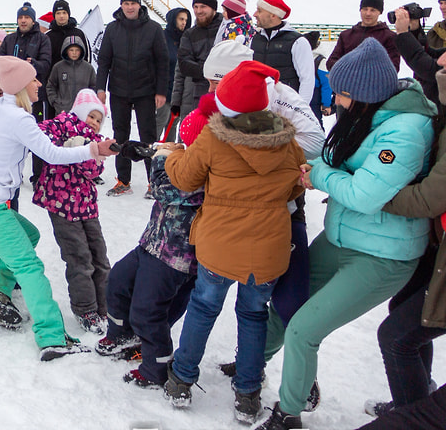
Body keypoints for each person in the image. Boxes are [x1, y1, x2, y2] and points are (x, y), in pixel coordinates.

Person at [258, 38, 436, 430]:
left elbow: (365, 194)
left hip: (382, 255)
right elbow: (332, 157)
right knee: (286, 300)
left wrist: (318, 175)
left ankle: (288, 414)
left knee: (305, 328)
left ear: (364, 94)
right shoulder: (367, 117)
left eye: (340, 93)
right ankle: (251, 367)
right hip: (343, 238)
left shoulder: (405, 131)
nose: (335, 100)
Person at [162, 61, 305, 424]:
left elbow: (184, 178)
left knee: (204, 307)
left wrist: (176, 152)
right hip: (268, 250)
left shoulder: (213, 136)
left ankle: (181, 380)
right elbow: (294, 186)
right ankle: (247, 395)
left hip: (220, 244)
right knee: (254, 316)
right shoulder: (287, 142)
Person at [0, 56, 118, 361]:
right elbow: (52, 154)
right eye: (34, 79)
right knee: (30, 266)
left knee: (29, 235)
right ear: (19, 85)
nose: (39, 84)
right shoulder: (18, 118)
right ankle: (52, 336)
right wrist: (93, 149)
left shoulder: (3, 108)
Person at [98, 95, 212, 387]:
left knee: (148, 311)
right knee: (118, 281)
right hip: (151, 243)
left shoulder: (206, 171)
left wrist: (160, 158)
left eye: (186, 141)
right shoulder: (186, 158)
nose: (181, 145)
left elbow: (163, 189)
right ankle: (122, 334)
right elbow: (166, 156)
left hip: (175, 257)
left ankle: (155, 369)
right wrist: (142, 150)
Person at [362, 69, 446, 419]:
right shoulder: (434, 119)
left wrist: (375, 195)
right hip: (438, 247)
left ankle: (414, 417)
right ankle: (418, 395)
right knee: (403, 309)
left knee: (397, 338)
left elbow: (429, 199)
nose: (439, 64)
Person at [32, 89, 111, 332]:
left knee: (100, 257)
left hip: (86, 206)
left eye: (99, 120)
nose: (94, 123)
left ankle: (105, 306)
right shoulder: (63, 124)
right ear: (80, 112)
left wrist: (88, 150)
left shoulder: (97, 142)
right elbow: (39, 133)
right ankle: (85, 308)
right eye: (91, 116)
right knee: (79, 258)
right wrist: (65, 145)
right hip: (61, 205)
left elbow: (94, 171)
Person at [97, 0, 169, 198]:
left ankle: (152, 181)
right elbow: (104, 61)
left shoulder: (154, 29)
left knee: (148, 136)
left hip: (146, 90)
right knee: (120, 135)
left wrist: (161, 91)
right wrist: (100, 88)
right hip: (119, 90)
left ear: (140, 5)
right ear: (121, 5)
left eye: (133, 3)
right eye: (126, 3)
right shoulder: (112, 29)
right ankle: (123, 180)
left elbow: (163, 62)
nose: (130, 7)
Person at [0, 2, 53, 182]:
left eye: (27, 17)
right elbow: (0, 62)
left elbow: (46, 65)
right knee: (12, 136)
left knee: (37, 134)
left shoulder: (42, 39)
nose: (23, 21)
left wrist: (33, 64)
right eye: (20, 18)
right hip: (13, 96)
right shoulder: (9, 39)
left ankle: (38, 176)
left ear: (32, 19)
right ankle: (11, 172)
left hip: (35, 95)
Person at [250, 0, 315, 104]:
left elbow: (307, 79)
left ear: (273, 15)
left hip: (285, 108)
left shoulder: (298, 41)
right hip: (258, 107)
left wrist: (300, 110)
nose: (255, 14)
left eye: (259, 11)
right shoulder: (255, 40)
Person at [174, 0, 223, 128]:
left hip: (223, 92)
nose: (198, 11)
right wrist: (211, 72)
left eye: (203, 7)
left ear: (213, 8)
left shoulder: (225, 30)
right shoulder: (190, 34)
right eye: (195, 7)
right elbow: (184, 64)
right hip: (196, 93)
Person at [326, 0, 400, 72]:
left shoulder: (389, 37)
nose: (368, 13)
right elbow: (331, 62)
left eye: (373, 10)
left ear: (380, 12)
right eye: (365, 9)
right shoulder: (346, 36)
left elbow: (393, 67)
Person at [160, 7, 190, 142]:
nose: (183, 22)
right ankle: (150, 154)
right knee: (159, 122)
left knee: (173, 125)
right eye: (181, 19)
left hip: (178, 92)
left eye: (186, 20)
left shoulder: (186, 39)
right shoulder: (162, 37)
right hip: (163, 91)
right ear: (173, 19)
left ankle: (168, 155)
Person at [47, 36, 96, 115]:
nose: (74, 53)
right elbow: (51, 86)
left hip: (83, 112)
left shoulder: (88, 68)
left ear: (81, 51)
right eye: (71, 50)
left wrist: (89, 103)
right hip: (63, 111)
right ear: (66, 51)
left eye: (77, 50)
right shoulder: (58, 67)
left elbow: (94, 87)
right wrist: (55, 102)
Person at [46, 0, 90, 66]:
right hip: (53, 75)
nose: (61, 16)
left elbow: (87, 57)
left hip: (76, 74)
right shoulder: (48, 35)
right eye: (58, 13)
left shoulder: (79, 33)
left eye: (64, 12)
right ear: (54, 15)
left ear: (68, 14)